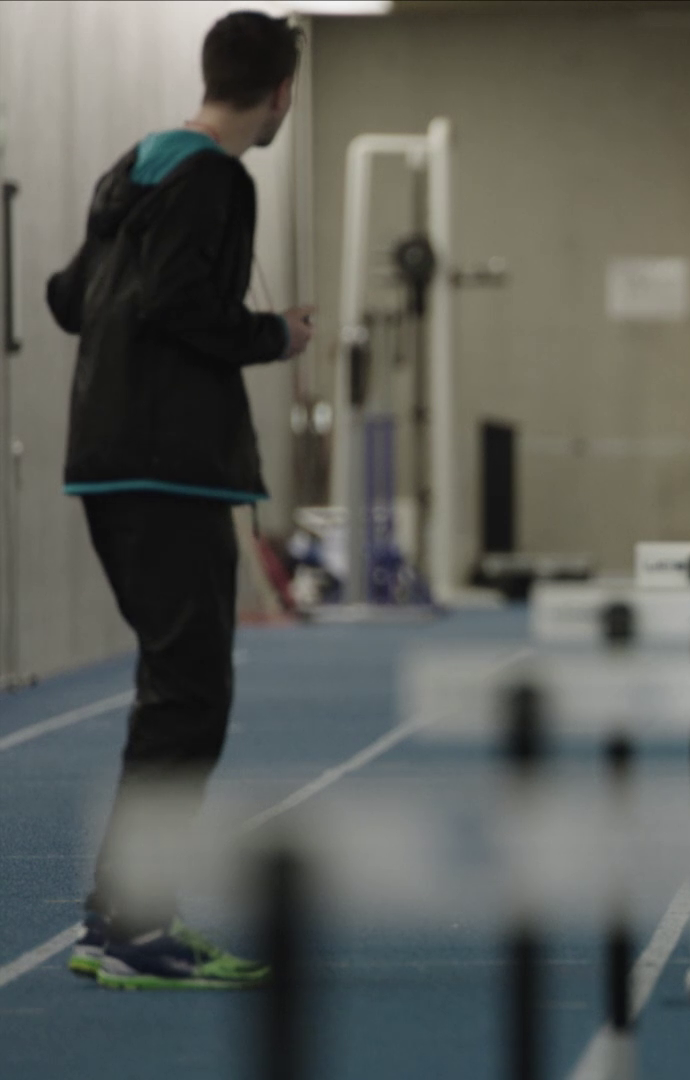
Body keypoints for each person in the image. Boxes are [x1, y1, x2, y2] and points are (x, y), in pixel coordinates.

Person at [45, 10, 315, 990]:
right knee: (189, 694)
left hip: (107, 459)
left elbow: (68, 299)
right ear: (280, 93)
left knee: (175, 687)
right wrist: (273, 335)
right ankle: (130, 926)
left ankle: (125, 914)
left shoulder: (134, 167)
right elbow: (172, 304)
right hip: (167, 467)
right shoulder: (217, 179)